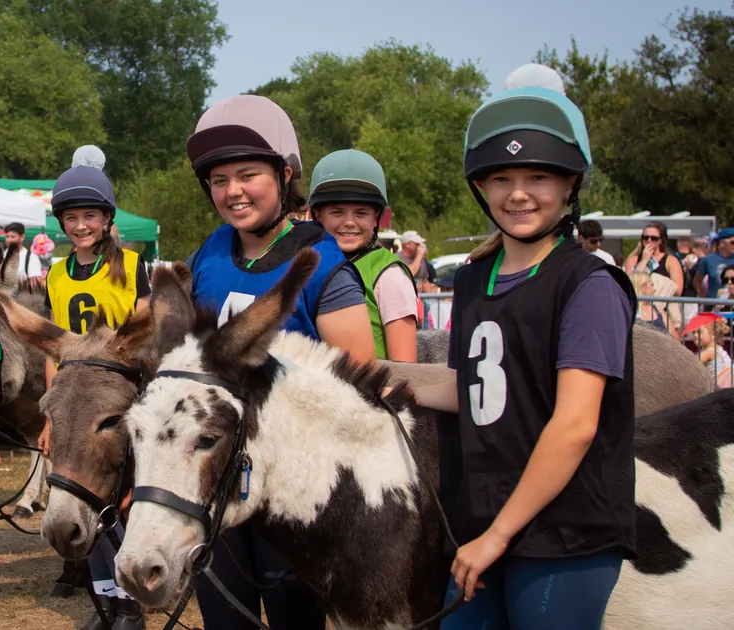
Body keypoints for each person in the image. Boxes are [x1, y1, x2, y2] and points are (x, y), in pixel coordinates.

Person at [413, 86, 635, 629]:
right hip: (485, 524)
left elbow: (576, 425)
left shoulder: (589, 284)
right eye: (502, 179)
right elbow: (470, 388)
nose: (519, 194)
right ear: (481, 188)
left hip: (565, 533)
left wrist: (498, 536)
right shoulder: (470, 281)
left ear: (569, 185)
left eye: (538, 177)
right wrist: (375, 382)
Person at [185, 95, 376, 630]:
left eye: (248, 174)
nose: (232, 191)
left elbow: (360, 389)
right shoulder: (209, 253)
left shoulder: (324, 264)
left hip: (296, 490)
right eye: (219, 180)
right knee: (227, 621)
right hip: (217, 481)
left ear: (285, 174)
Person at [40, 163, 150, 630]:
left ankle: (131, 604)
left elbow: (147, 334)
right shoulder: (56, 274)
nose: (81, 226)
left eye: (90, 216)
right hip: (74, 405)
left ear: (106, 218)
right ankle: (105, 599)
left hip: (119, 400)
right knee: (87, 501)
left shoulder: (132, 266)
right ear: (61, 223)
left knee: (120, 504)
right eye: (71, 218)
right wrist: (51, 416)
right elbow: (53, 349)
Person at [307, 149, 417, 361]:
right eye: (337, 212)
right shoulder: (309, 265)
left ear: (376, 219)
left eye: (361, 213)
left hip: (367, 392)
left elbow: (406, 369)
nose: (349, 222)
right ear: (318, 215)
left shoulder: (389, 275)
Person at [625, 221, 684, 295]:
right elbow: (631, 284)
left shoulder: (670, 260)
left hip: (662, 303)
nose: (649, 240)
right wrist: (644, 260)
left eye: (654, 238)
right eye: (645, 238)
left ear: (661, 241)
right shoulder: (634, 259)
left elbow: (678, 290)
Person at [694, 227, 734, 299]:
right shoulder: (708, 260)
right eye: (732, 242)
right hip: (715, 304)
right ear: (722, 243)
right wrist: (704, 297)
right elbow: (697, 280)